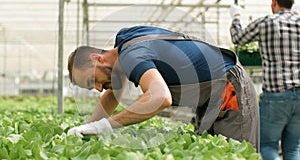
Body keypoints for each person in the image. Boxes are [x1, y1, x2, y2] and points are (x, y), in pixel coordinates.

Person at [67, 25, 260, 151]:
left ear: (97, 58)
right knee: (214, 151)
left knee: (237, 153)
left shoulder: (131, 56)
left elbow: (160, 97)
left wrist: (105, 125)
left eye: (92, 81)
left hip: (229, 88)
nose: (99, 88)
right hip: (208, 99)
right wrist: (87, 127)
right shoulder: (124, 42)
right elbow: (113, 95)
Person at [229, 0, 300, 159]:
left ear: (273, 2)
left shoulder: (265, 23)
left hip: (276, 96)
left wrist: (236, 17)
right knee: (293, 149)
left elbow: (237, 38)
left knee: (268, 146)